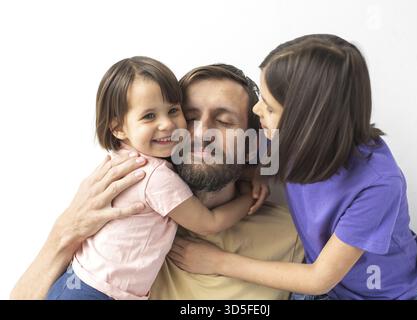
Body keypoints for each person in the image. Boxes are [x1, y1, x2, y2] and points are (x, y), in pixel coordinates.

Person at [168, 34, 417, 300]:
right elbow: (229, 154)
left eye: (269, 108)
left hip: (381, 294)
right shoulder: (286, 139)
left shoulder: (378, 185)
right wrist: (259, 172)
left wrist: (218, 262)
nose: (257, 110)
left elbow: (319, 279)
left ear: (308, 123)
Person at [10, 63, 302, 300]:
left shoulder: (290, 234)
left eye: (225, 122)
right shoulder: (121, 219)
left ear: (253, 141)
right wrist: (64, 233)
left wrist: (257, 171)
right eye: (188, 117)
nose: (202, 133)